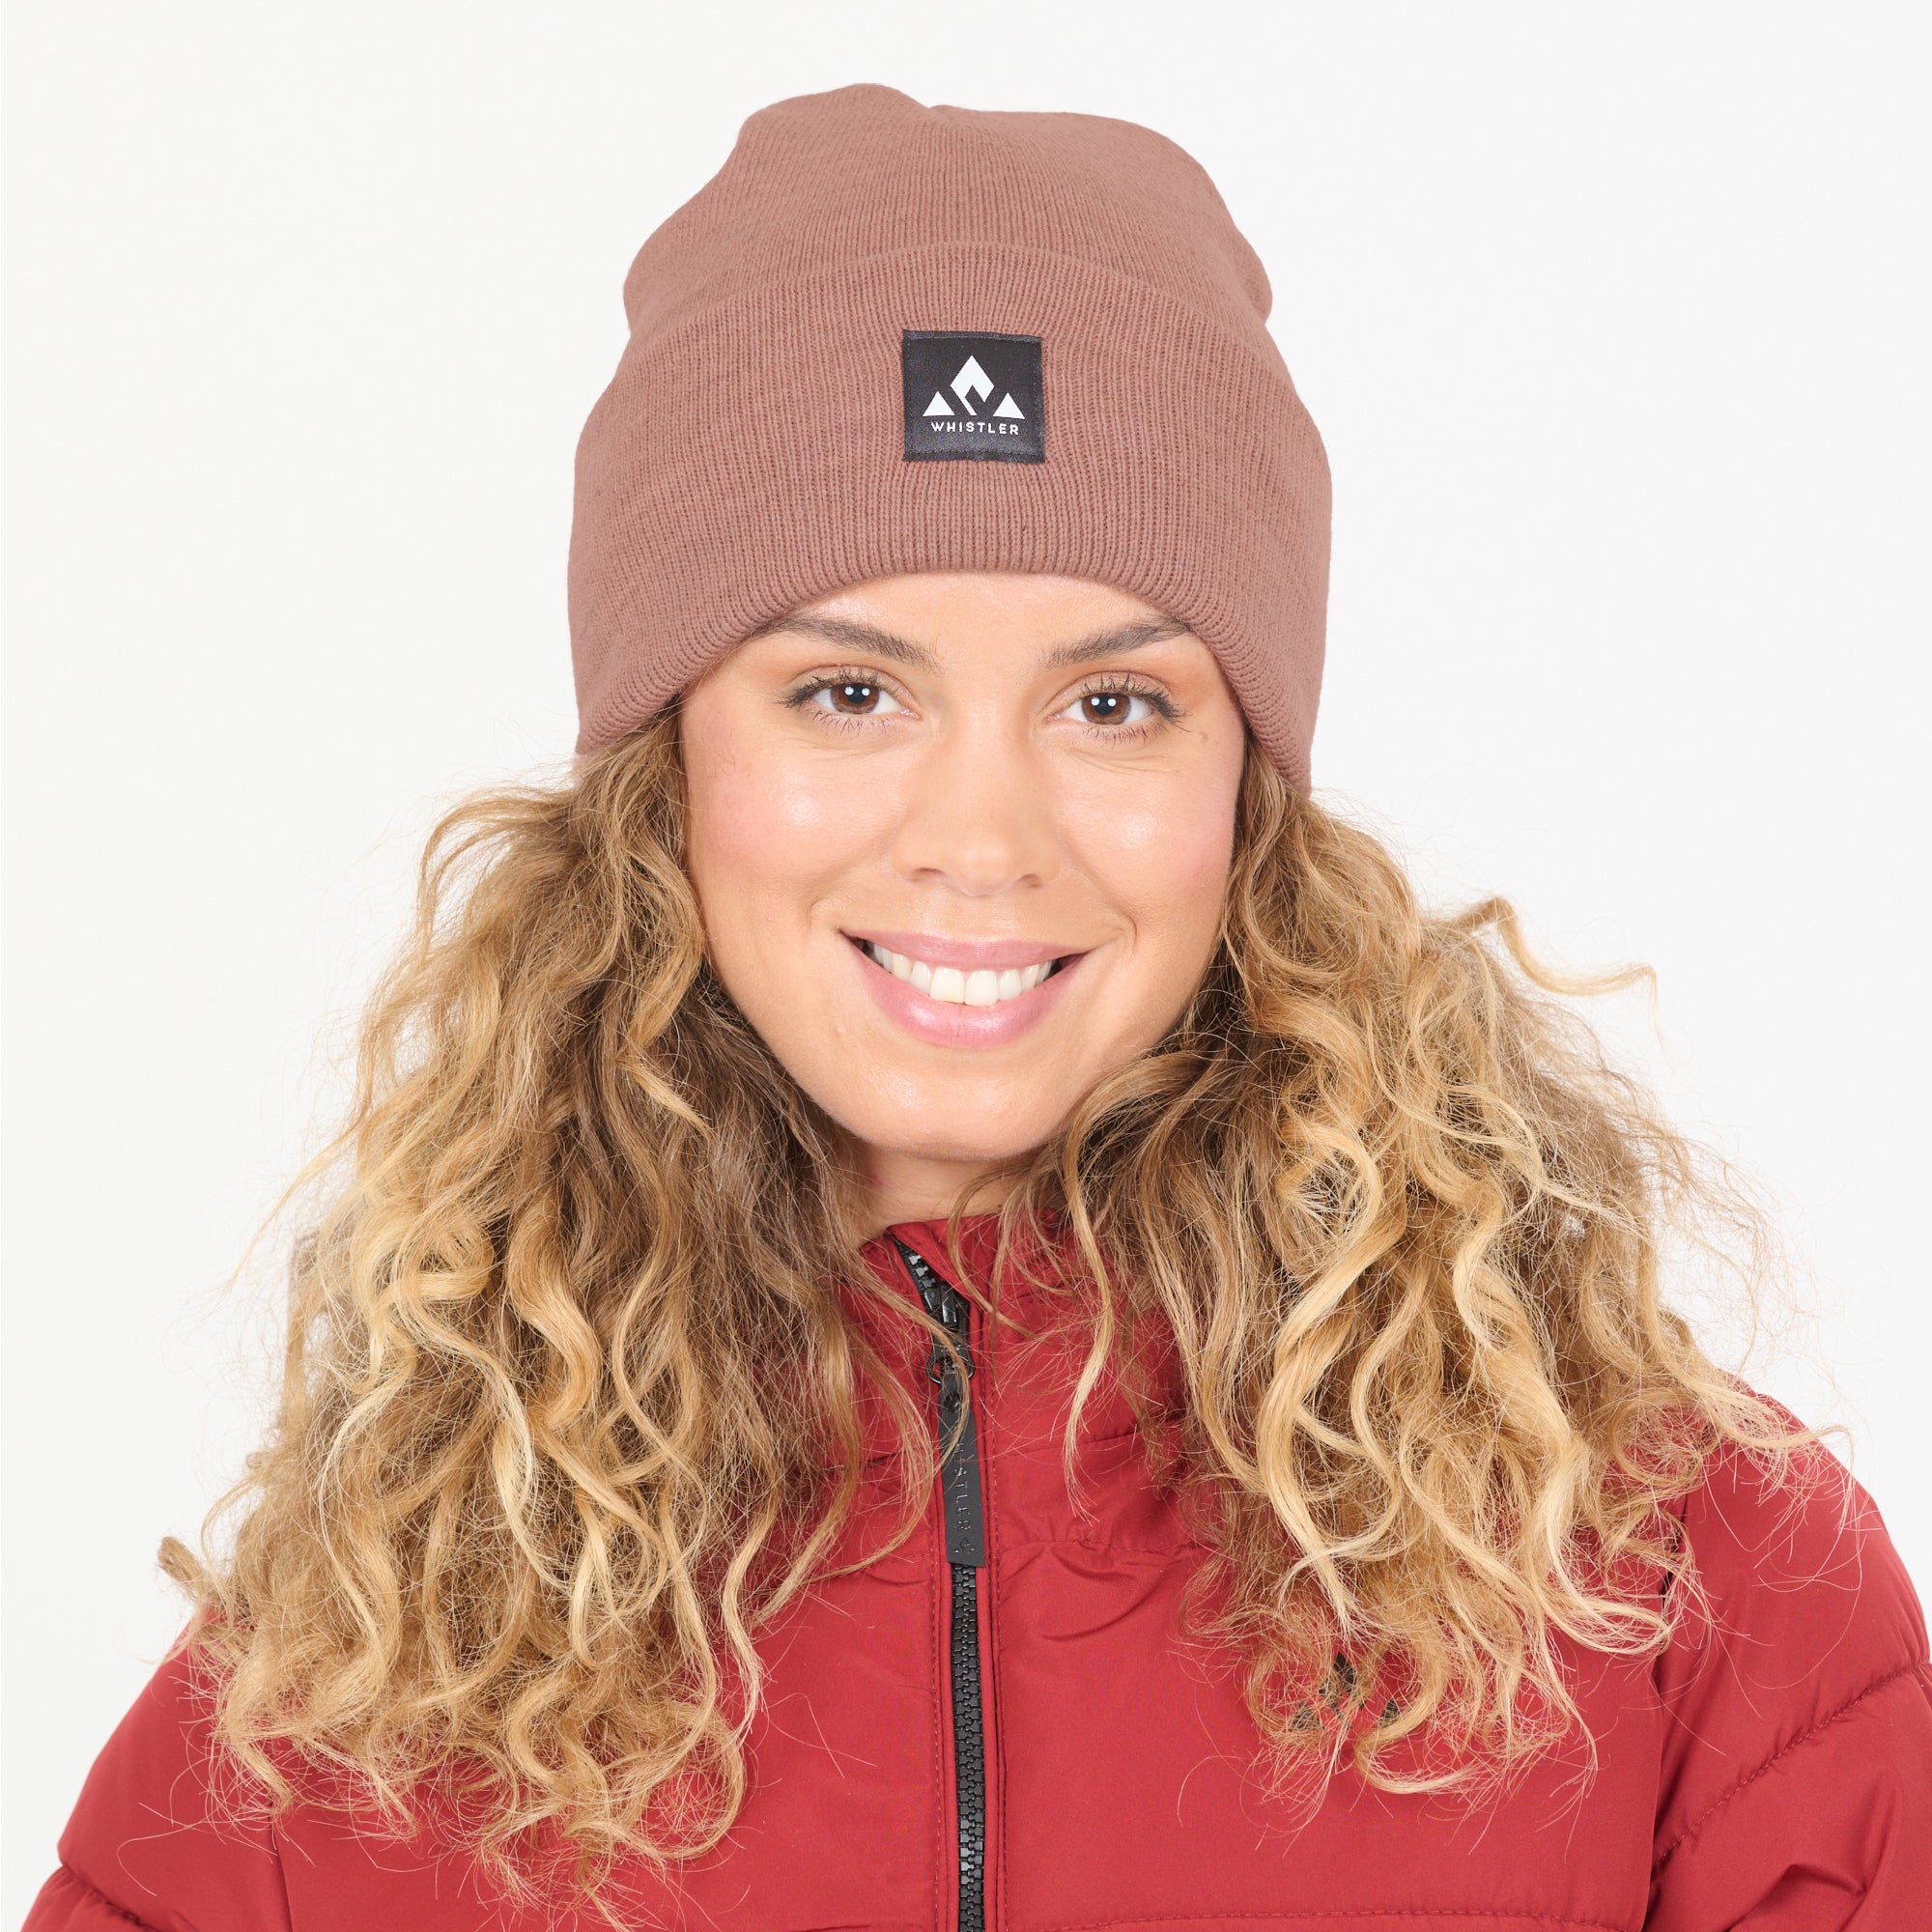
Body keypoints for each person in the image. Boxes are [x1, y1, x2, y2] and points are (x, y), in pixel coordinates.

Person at [27, 82, 1932, 1932]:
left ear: (1247, 791)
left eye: (1113, 703)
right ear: (666, 776)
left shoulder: (1689, 1594)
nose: (980, 840)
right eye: (849, 693)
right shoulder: (354, 1679)